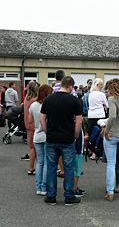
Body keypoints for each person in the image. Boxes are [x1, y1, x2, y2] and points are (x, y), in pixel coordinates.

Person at [41, 76, 83, 206]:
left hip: (52, 137)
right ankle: (69, 196)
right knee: (69, 167)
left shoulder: (48, 99)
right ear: (70, 87)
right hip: (67, 138)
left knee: (51, 167)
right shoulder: (75, 101)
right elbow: (79, 122)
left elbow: (42, 119)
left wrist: (48, 132)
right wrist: (75, 136)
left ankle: (51, 196)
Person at [29, 84, 53, 196]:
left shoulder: (33, 105)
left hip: (37, 135)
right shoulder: (49, 104)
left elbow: (30, 120)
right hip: (47, 135)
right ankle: (44, 187)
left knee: (40, 162)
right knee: (47, 162)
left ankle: (38, 187)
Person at [88, 78, 108, 160]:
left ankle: (93, 152)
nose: (102, 86)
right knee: (100, 134)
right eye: (101, 84)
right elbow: (107, 105)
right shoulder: (101, 94)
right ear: (97, 85)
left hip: (91, 115)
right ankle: (100, 153)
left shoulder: (90, 94)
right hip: (100, 115)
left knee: (92, 134)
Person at [24, 82, 41, 175]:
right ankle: (39, 167)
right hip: (35, 125)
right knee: (38, 148)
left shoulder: (27, 99)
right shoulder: (35, 101)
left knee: (32, 147)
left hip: (28, 125)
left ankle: (31, 168)